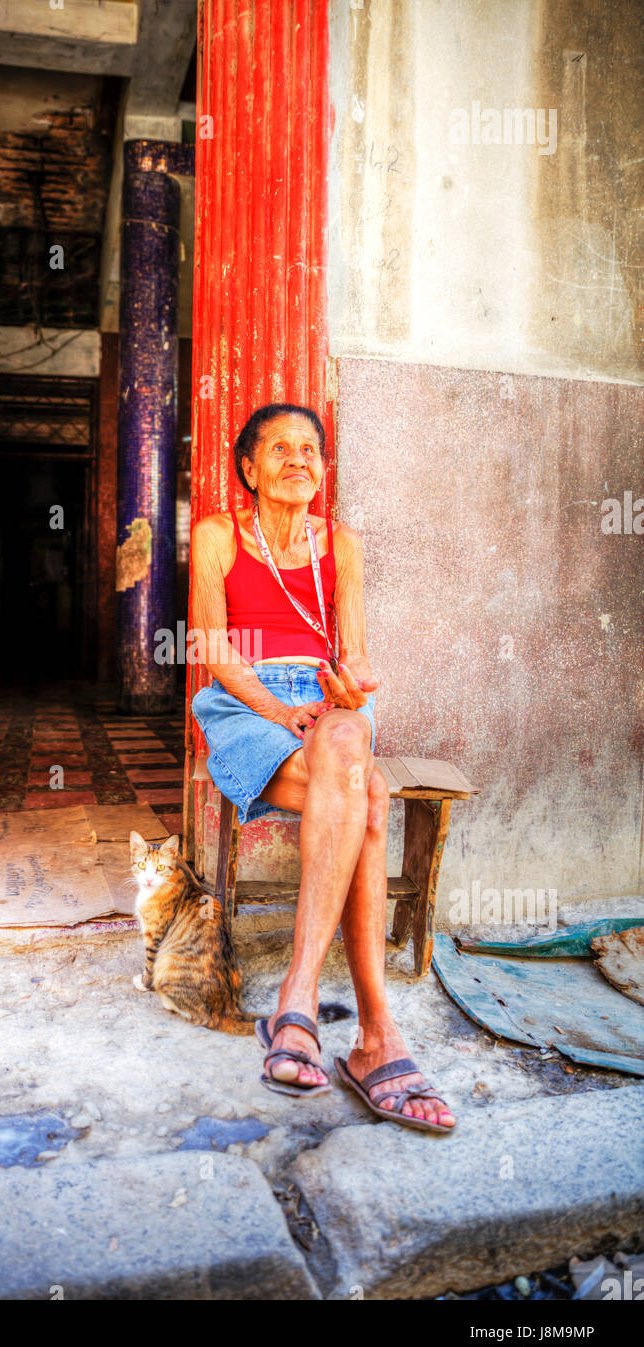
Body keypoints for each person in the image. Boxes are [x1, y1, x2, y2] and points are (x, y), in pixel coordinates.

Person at [190, 403, 455, 1132]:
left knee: (345, 747)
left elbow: (355, 653)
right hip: (247, 700)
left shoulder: (341, 544)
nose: (297, 459)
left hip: (325, 700)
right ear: (247, 468)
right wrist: (281, 715)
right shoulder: (217, 535)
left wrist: (352, 685)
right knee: (367, 795)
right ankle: (376, 1039)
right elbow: (212, 649)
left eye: (310, 449)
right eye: (278, 448)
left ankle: (296, 1003)